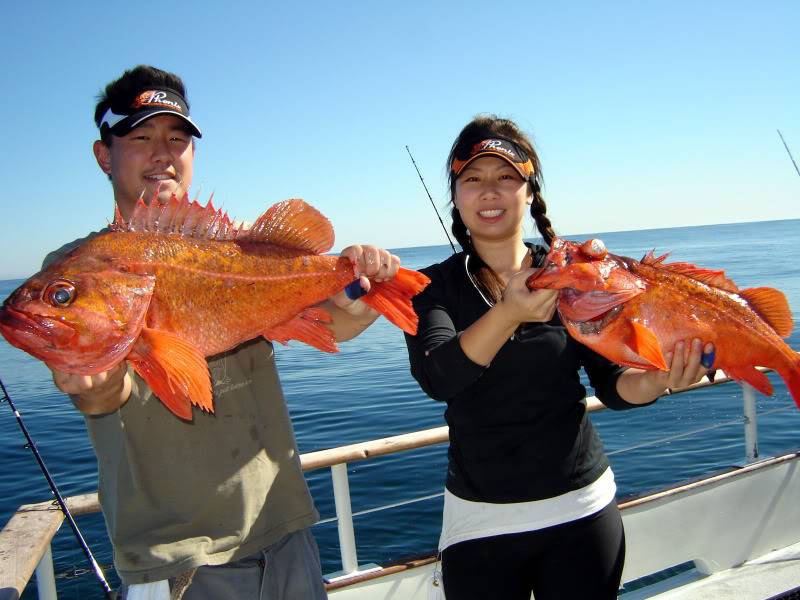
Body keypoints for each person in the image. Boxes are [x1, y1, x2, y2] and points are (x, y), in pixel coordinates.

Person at [45, 65, 401, 600]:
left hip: (286, 529)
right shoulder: (75, 269)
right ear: (104, 156)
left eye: (177, 139)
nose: (162, 152)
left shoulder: (237, 251)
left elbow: (333, 322)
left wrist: (364, 285)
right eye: (140, 138)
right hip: (179, 558)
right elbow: (105, 393)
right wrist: (94, 389)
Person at [404, 115, 714, 600]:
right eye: (473, 180)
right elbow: (438, 376)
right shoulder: (430, 288)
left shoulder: (572, 274)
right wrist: (508, 313)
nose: (490, 192)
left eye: (506, 178)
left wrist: (658, 379)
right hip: (480, 522)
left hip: (583, 510)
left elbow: (613, 385)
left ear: (529, 193)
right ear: (456, 196)